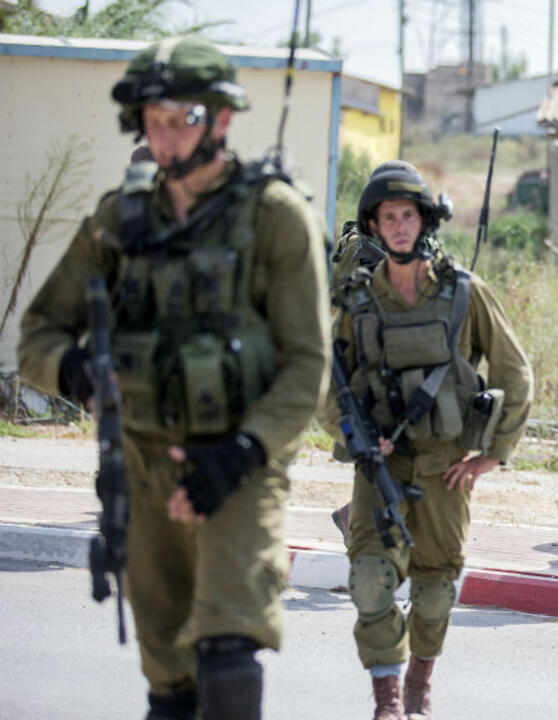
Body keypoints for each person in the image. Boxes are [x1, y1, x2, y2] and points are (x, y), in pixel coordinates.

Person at [17, 36, 330, 720]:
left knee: (228, 653)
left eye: (180, 119)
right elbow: (37, 333)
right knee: (170, 683)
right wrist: (76, 371)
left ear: (221, 119)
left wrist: (243, 451)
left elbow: (308, 362)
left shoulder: (275, 216)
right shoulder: (119, 219)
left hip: (241, 467)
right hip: (142, 464)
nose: (163, 136)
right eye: (152, 120)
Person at [325, 160, 532, 720]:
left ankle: (419, 681)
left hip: (446, 464)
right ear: (373, 226)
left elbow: (515, 373)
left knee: (435, 589)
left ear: (425, 222)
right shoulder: (357, 299)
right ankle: (388, 699)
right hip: (380, 466)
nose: (399, 226)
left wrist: (493, 454)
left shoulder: (464, 292)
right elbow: (328, 385)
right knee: (371, 581)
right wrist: (357, 439)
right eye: (387, 217)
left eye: (408, 216)